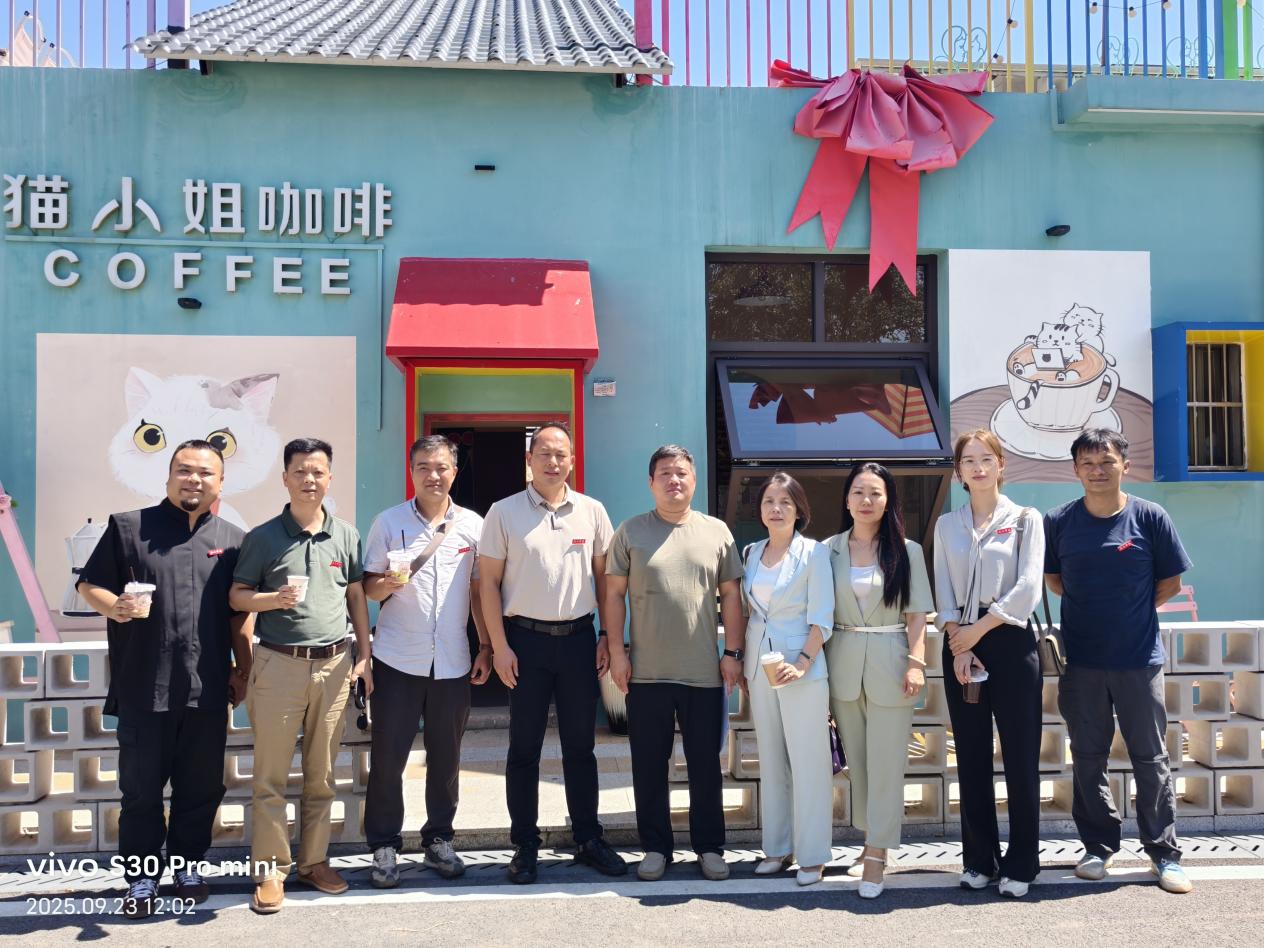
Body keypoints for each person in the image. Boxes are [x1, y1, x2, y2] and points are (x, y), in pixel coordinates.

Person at [77, 440, 251, 919]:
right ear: (169, 477)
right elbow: (89, 584)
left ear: (220, 483)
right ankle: (142, 876)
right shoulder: (128, 527)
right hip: (143, 686)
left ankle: (187, 866)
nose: (194, 479)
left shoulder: (234, 540)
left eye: (205, 473)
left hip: (207, 688)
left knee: (201, 788)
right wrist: (115, 607)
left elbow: (239, 615)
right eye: (184, 470)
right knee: (141, 792)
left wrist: (243, 669)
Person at [1044, 428, 1194, 894]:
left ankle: (1163, 854)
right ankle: (1098, 847)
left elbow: (1170, 582)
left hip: (1139, 659)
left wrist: (1130, 610)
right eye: (1088, 463)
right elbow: (1054, 579)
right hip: (1081, 661)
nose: (1098, 471)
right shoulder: (1059, 521)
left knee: (1151, 757)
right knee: (1088, 758)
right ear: (1075, 470)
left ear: (1125, 466)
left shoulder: (1150, 517)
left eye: (1106, 461)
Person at [479, 422, 626, 883]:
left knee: (581, 747)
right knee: (524, 748)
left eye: (561, 454)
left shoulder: (592, 511)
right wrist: (498, 646)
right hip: (524, 642)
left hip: (579, 641)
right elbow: (487, 584)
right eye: (543, 453)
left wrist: (607, 636)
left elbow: (606, 582)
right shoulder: (503, 512)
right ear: (529, 460)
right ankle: (525, 844)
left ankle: (588, 838)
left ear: (572, 461)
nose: (552, 462)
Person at [230, 437, 372, 914]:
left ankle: (313, 862)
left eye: (318, 472)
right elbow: (237, 596)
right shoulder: (263, 537)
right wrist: (273, 600)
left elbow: (356, 596)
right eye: (300, 472)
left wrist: (364, 654)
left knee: (322, 773)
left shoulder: (346, 535)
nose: (309, 479)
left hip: (334, 665)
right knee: (270, 775)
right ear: (285, 478)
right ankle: (271, 870)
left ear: (330, 478)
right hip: (278, 663)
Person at [605, 444, 746, 883]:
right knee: (648, 766)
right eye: (665, 473)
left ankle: (710, 847)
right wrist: (617, 652)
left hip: (703, 673)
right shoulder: (631, 531)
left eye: (682, 473)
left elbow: (732, 597)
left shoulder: (717, 532)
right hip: (646, 673)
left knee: (705, 766)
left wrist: (733, 653)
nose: (674, 480)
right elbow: (613, 595)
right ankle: (655, 848)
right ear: (651, 483)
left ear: (694, 480)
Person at [362, 435, 490, 887]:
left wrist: (486, 646)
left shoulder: (474, 526)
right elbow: (367, 589)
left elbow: (479, 592)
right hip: (396, 658)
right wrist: (387, 584)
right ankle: (383, 844)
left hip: (452, 661)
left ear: (454, 471)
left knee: (447, 758)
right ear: (411, 471)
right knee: (388, 756)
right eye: (423, 467)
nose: (432, 475)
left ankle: (439, 838)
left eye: (441, 467)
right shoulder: (388, 522)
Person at [934, 429, 1045, 898]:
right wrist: (959, 644)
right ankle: (980, 860)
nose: (977, 467)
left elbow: (1028, 586)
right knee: (972, 755)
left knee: (1020, 756)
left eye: (986, 458)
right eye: (968, 460)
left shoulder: (1025, 519)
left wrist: (977, 632)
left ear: (1002, 464)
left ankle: (1022, 864)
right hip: (960, 643)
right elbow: (942, 588)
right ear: (958, 471)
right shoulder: (946, 526)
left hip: (1009, 640)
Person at [824, 462, 932, 899]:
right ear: (847, 499)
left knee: (887, 762)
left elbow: (917, 615)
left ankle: (876, 854)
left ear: (888, 501)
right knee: (859, 763)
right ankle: (872, 837)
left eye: (875, 493)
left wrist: (917, 663)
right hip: (843, 662)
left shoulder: (907, 551)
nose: (866, 500)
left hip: (892, 661)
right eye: (858, 492)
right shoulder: (827, 550)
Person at [740, 472, 835, 886]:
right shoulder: (750, 552)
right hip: (759, 667)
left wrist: (803, 662)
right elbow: (752, 613)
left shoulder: (814, 553)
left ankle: (813, 855)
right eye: (769, 502)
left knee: (809, 761)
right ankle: (777, 848)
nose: (776, 509)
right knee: (771, 758)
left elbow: (822, 618)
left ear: (799, 511)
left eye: (785, 503)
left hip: (801, 668)